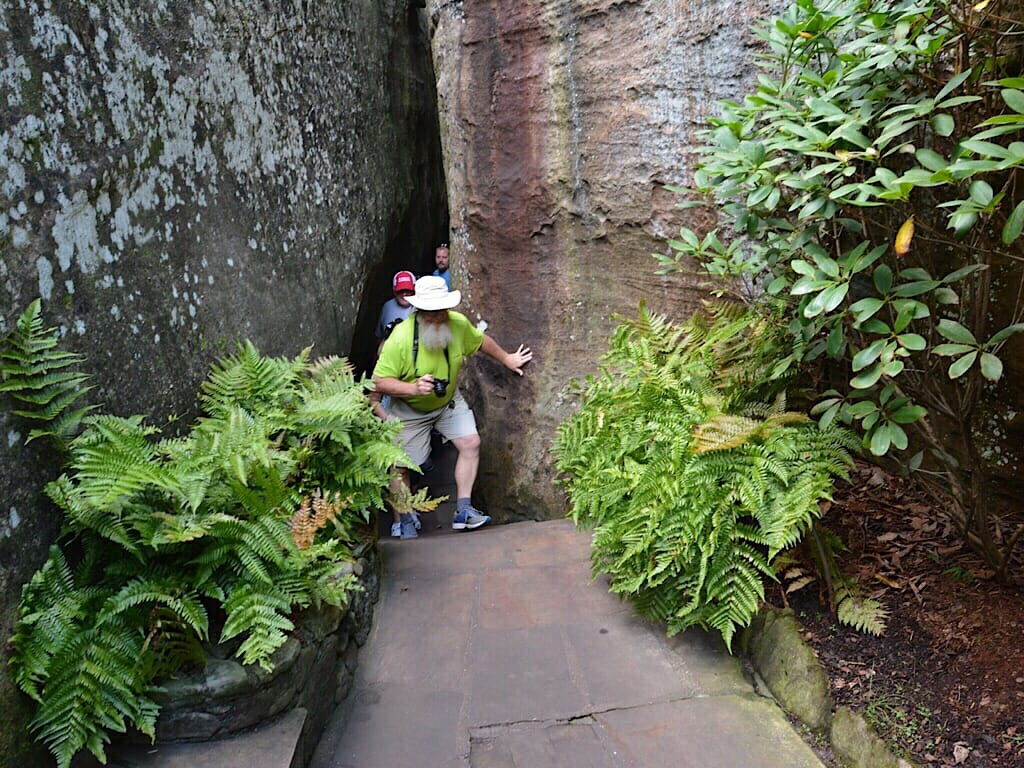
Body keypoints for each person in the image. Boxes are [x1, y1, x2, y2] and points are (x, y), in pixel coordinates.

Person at [373, 275, 532, 539]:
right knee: (401, 467)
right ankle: (406, 518)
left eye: (443, 310)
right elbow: (378, 382)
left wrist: (507, 358)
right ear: (420, 311)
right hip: (410, 409)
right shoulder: (400, 339)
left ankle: (464, 510)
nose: (440, 316)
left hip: (447, 401)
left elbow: (480, 341)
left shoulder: (456, 325)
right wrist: (413, 388)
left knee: (471, 442)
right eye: (433, 312)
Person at [375, 270, 417, 344]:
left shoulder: (420, 308)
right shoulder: (387, 307)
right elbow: (379, 337)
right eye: (401, 291)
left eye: (408, 290)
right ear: (394, 291)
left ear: (414, 291)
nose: (404, 294)